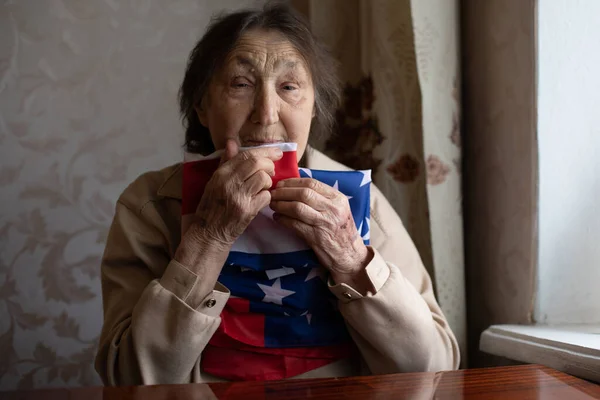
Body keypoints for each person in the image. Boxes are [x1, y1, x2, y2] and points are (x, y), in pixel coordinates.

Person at [95, 2, 459, 386]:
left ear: (314, 107)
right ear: (202, 105)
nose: (266, 113)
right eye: (241, 84)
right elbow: (130, 379)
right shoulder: (150, 205)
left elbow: (435, 365)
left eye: (288, 87)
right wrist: (207, 236)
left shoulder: (353, 198)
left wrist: (351, 256)